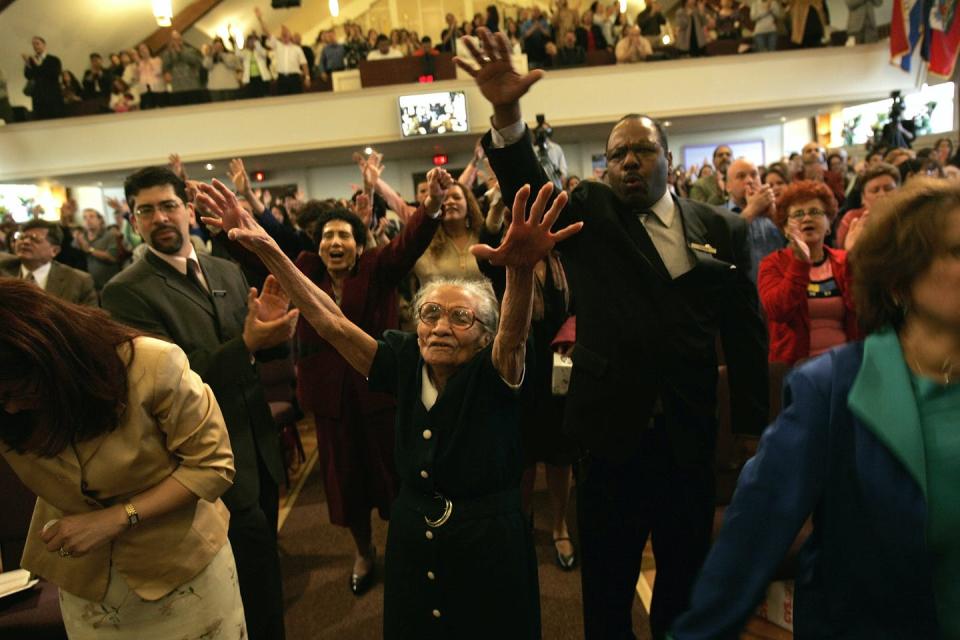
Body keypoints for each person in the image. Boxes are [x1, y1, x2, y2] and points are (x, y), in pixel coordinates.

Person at [456, 29, 769, 639]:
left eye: (642, 151)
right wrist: (506, 112)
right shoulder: (592, 216)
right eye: (618, 153)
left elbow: (746, 332)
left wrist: (752, 427)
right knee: (606, 597)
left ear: (668, 159)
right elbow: (530, 179)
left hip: (688, 438)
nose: (629, 162)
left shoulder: (719, 229)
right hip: (609, 441)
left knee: (685, 590)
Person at [195, 176, 581, 638]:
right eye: (429, 314)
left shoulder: (494, 369)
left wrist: (518, 272)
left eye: (461, 318)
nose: (440, 327)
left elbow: (514, 335)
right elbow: (331, 322)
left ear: (483, 335)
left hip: (487, 537)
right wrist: (267, 249)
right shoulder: (403, 358)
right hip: (413, 531)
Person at [672, 176, 960, 638]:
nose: (808, 220)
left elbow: (852, 308)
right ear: (903, 280)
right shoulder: (830, 391)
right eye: (956, 251)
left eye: (815, 212)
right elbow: (755, 531)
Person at [100, 167, 291, 640]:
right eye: (146, 210)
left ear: (189, 210)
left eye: (168, 205)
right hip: (200, 460)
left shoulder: (223, 267)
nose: (160, 217)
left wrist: (266, 336)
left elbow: (255, 348)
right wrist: (246, 344)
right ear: (132, 220)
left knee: (268, 577)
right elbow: (162, 381)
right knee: (232, 587)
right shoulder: (125, 290)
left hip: (257, 443)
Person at [0, 280, 244, 638]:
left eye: (14, 392)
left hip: (178, 565)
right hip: (84, 579)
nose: (11, 408)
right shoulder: (11, 412)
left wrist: (118, 517)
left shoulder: (150, 363)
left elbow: (213, 466)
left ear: (47, 357)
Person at [293, 169, 450, 595]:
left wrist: (431, 206)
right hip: (331, 403)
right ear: (318, 245)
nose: (335, 243)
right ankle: (363, 552)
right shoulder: (307, 272)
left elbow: (408, 244)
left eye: (345, 235)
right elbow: (264, 256)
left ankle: (407, 550)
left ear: (359, 246)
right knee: (346, 483)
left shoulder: (377, 270)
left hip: (379, 398)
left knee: (395, 480)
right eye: (328, 236)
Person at [758, 180, 858, 366]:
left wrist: (854, 261)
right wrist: (800, 263)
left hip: (846, 363)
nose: (806, 219)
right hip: (795, 368)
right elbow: (778, 311)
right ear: (786, 229)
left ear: (829, 224)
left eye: (815, 212)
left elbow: (862, 310)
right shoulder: (773, 264)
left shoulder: (844, 261)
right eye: (798, 214)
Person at [0, 220, 97, 306]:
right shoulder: (3, 272)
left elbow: (92, 323)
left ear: (54, 250)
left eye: (34, 239)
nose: (25, 242)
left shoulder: (78, 281)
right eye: (22, 237)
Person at [725, 158, 785, 282]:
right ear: (728, 186)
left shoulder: (780, 210)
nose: (749, 180)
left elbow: (797, 245)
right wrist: (751, 211)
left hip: (777, 293)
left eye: (754, 174)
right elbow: (717, 248)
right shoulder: (717, 214)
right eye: (741, 176)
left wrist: (774, 216)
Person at [835, 161, 899, 249]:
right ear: (863, 198)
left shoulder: (909, 216)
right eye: (875, 190)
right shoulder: (852, 219)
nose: (882, 195)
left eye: (888, 189)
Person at [255, 7, 311, 94]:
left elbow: (304, 63)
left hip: (294, 78)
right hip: (282, 79)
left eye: (286, 34)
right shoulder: (278, 45)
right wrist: (260, 19)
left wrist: (307, 77)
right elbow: (267, 32)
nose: (284, 36)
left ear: (290, 36)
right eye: (283, 34)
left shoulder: (297, 49)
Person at [73, 208, 120, 290]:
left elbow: (112, 258)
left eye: (91, 217)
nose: (88, 220)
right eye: (85, 218)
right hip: (88, 287)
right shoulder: (81, 237)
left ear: (100, 220)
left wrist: (90, 250)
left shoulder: (109, 235)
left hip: (108, 284)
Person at [23, 36, 64, 120]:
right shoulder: (31, 60)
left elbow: (54, 74)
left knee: (56, 121)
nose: (35, 46)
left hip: (52, 97)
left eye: (37, 44)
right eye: (33, 44)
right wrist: (27, 64)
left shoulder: (53, 60)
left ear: (44, 45)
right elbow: (28, 76)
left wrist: (38, 65)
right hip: (38, 98)